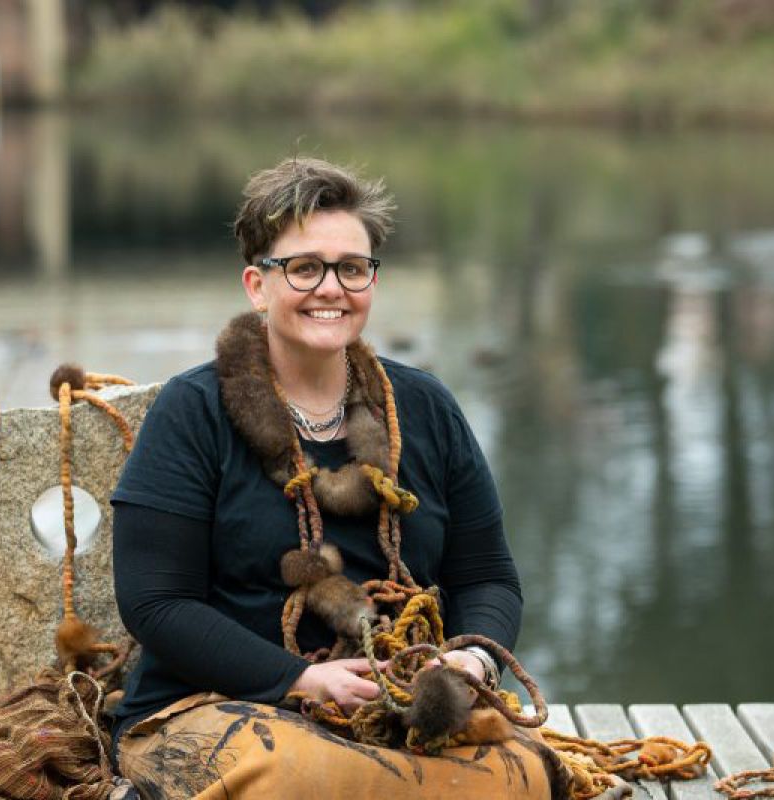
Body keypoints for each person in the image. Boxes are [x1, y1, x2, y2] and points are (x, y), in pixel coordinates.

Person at [108, 157, 555, 798]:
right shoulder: (191, 412)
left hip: (397, 702)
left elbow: (486, 576)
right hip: (221, 705)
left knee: (528, 775)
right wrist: (301, 679)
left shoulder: (424, 409)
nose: (331, 288)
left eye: (352, 268)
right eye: (304, 267)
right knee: (303, 778)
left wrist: (470, 661)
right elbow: (156, 603)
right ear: (257, 286)